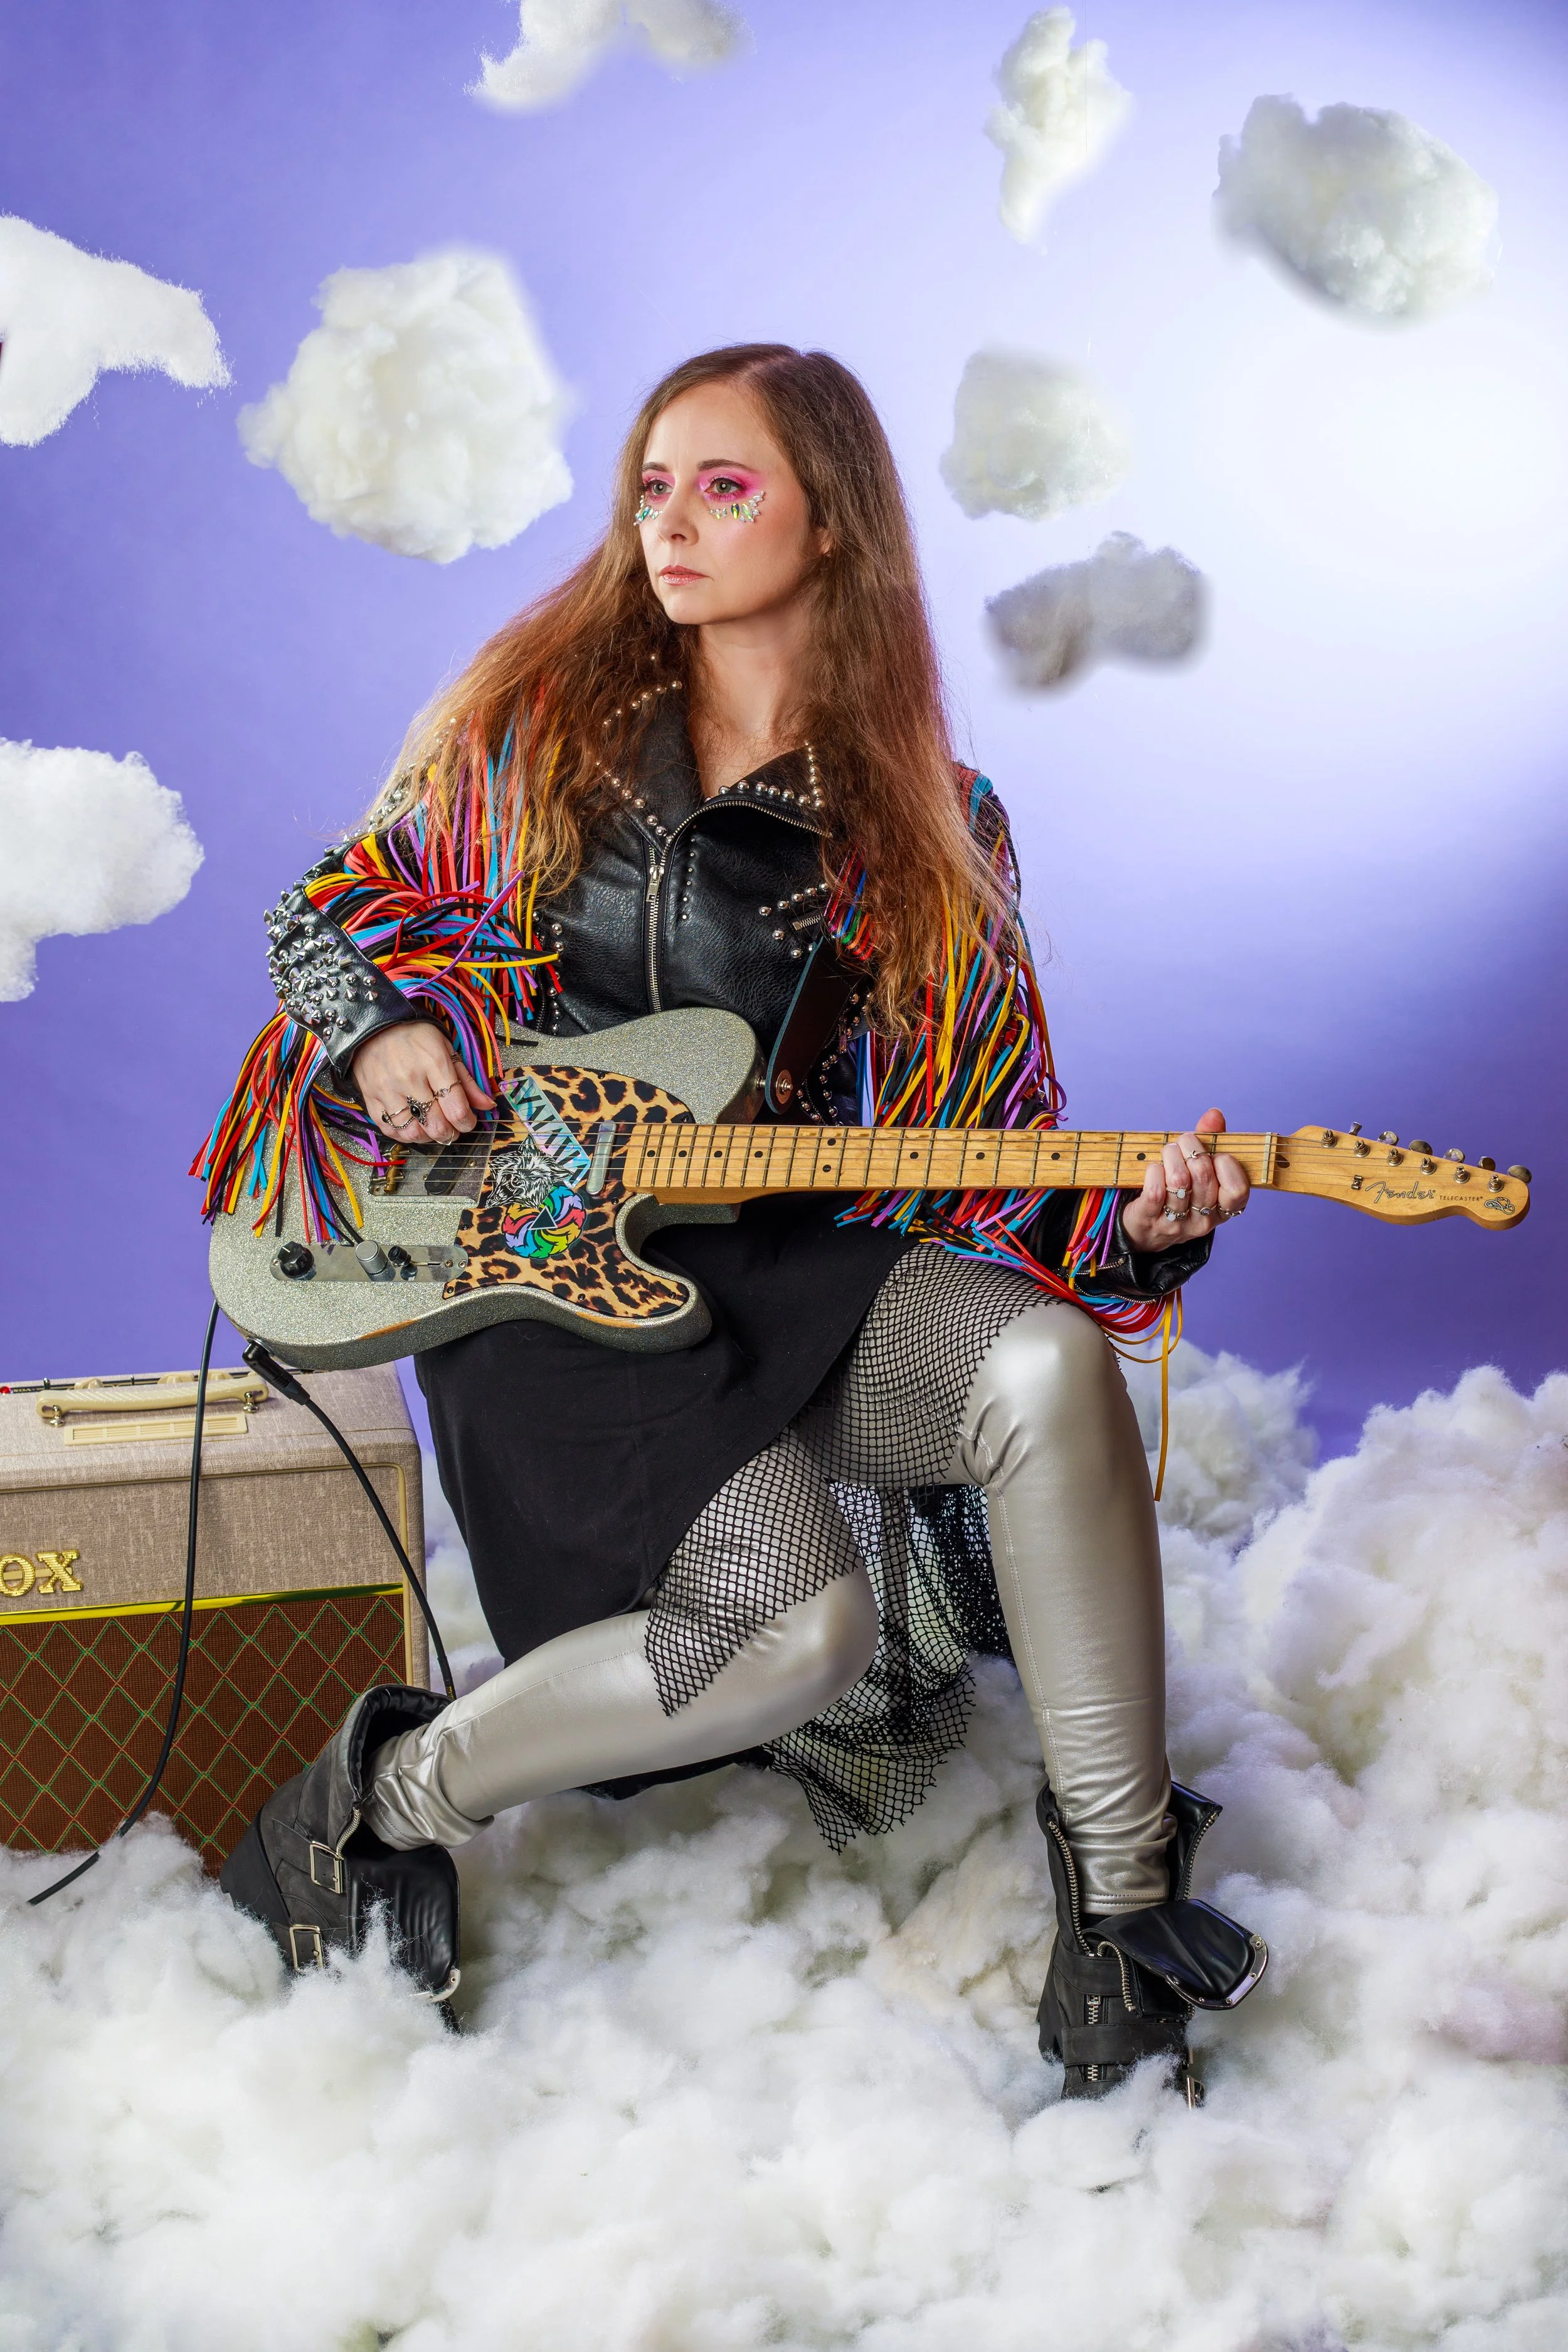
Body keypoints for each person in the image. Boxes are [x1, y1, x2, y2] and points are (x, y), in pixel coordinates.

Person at [201, 343, 1267, 2098]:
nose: (670, 524)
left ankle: (1122, 1900)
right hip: (530, 1278)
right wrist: (382, 1030)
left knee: (1046, 1362)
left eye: (724, 486)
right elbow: (325, 914)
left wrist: (1143, 1232)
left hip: (766, 1262)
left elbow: (994, 1154)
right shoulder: (538, 736)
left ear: (830, 521)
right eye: (653, 487)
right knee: (800, 1637)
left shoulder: (930, 823)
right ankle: (375, 1799)